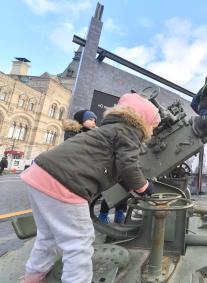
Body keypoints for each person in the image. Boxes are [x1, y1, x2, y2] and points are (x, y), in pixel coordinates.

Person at [19, 93, 160, 283]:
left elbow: (115, 164)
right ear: (142, 121)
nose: (152, 131)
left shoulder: (109, 130)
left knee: (47, 236)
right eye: (153, 125)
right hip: (65, 182)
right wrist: (143, 187)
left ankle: (33, 277)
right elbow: (128, 165)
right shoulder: (129, 132)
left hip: (39, 174)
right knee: (80, 242)